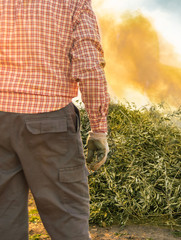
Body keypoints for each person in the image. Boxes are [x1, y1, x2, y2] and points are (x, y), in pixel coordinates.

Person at [0, 0, 110, 239]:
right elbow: (89, 66)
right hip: (50, 122)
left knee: (3, 220)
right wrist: (99, 129)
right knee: (67, 217)